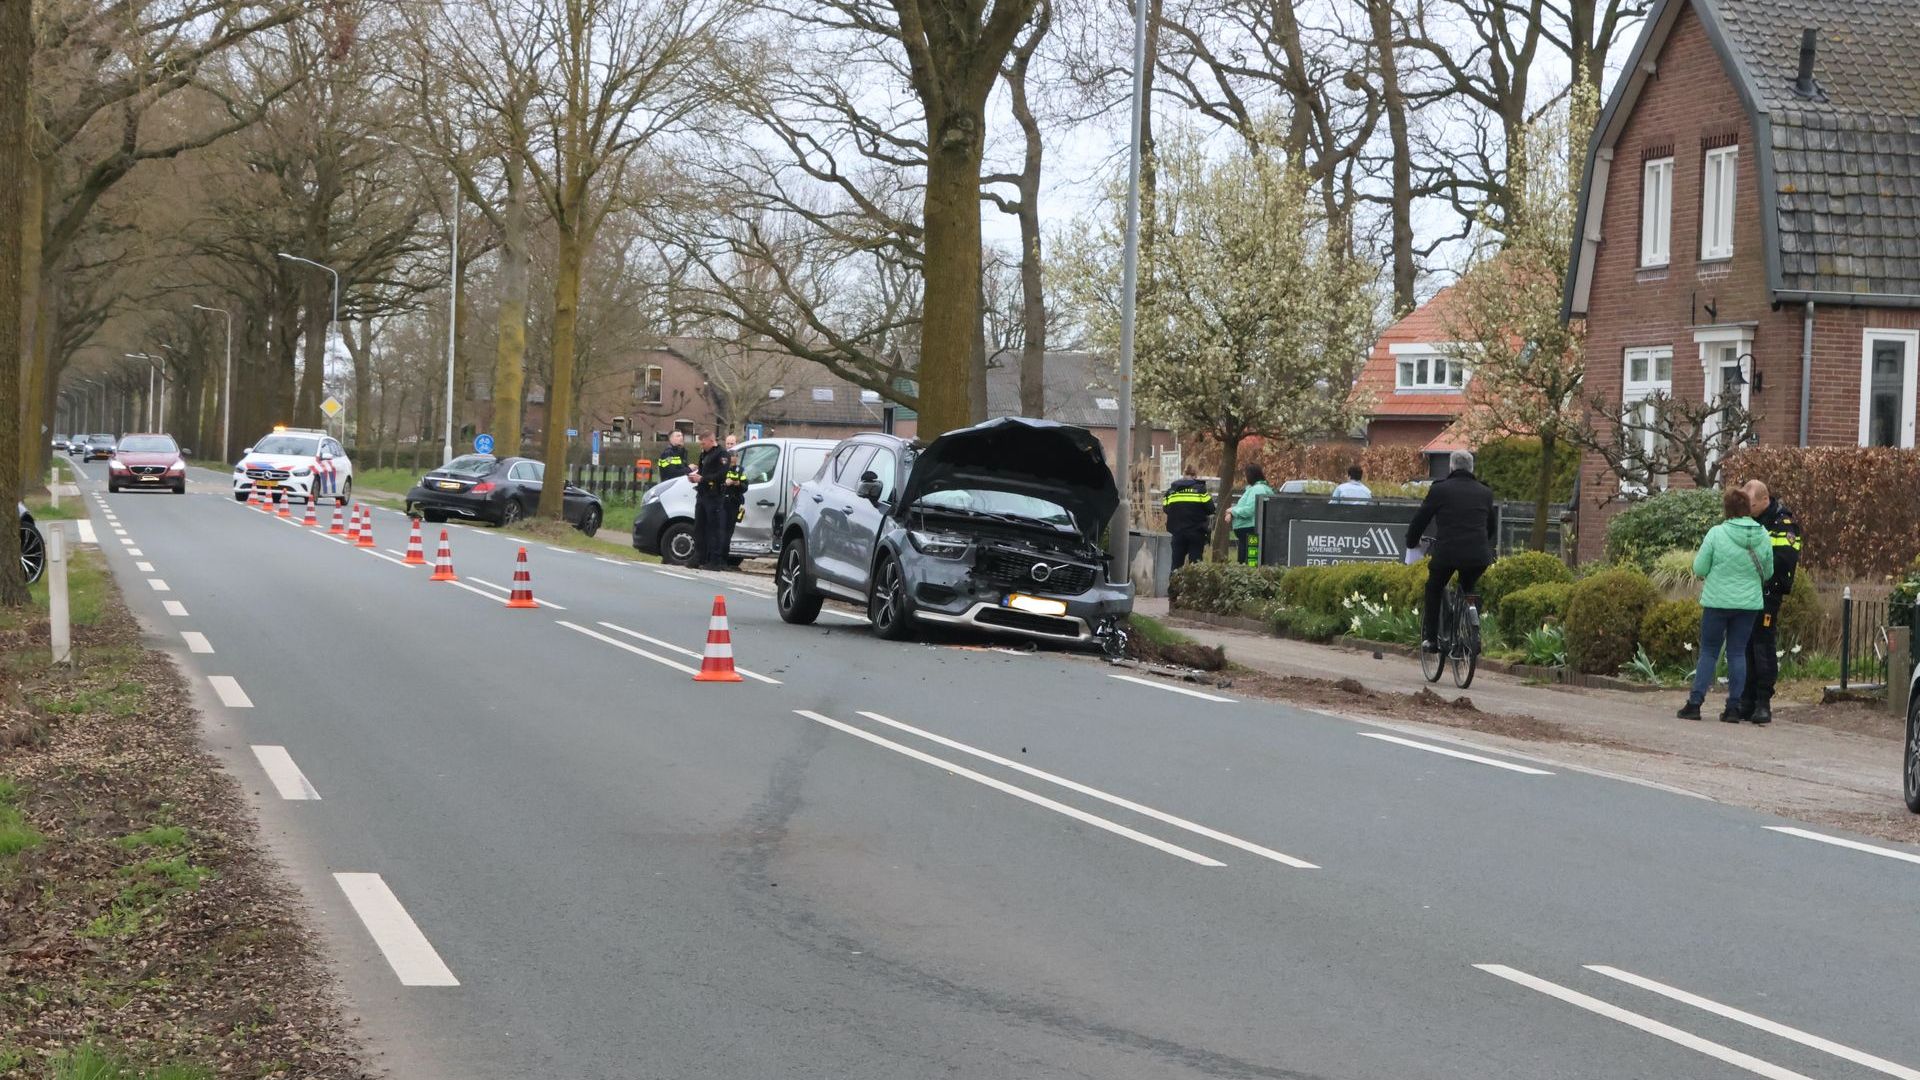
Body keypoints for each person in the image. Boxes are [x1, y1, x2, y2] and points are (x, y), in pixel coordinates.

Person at [1678, 487, 1773, 722]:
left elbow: (1699, 568)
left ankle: (1695, 703)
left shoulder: (1716, 534)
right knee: (1737, 653)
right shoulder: (1763, 534)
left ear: (1727, 510)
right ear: (1747, 508)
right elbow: (1769, 571)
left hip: (1717, 602)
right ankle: (1733, 707)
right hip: (1748, 604)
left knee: (1709, 652)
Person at [1404, 450, 1497, 652]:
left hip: (1447, 554)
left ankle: (1431, 639)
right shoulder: (1485, 492)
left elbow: (1421, 518)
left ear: (1451, 467)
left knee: (1434, 587)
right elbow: (1491, 527)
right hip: (1478, 555)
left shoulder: (1440, 490)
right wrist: (1481, 544)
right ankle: (1470, 626)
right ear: (1472, 468)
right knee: (1468, 587)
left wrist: (1412, 542)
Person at [1737, 479, 1800, 725]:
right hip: (1744, 592)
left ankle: (1763, 702)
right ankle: (1746, 700)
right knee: (1744, 646)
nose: (1747, 509)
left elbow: (1784, 561)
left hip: (1767, 594)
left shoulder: (1783, 524)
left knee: (1762, 647)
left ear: (1764, 500)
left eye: (1750, 504)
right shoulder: (1746, 521)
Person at [691, 432, 732, 570]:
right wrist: (695, 477)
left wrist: (703, 479)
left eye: (703, 443)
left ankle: (714, 561)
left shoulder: (722, 455)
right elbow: (702, 471)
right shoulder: (704, 454)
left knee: (713, 528)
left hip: (714, 496)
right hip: (702, 494)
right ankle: (698, 557)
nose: (702, 446)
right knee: (699, 527)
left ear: (711, 441)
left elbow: (721, 475)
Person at [1161, 465, 1215, 570]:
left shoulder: (1171, 491)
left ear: (1184, 475)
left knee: (1176, 566)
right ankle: (1193, 586)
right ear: (1195, 476)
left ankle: (1174, 586)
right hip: (1196, 533)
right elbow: (1211, 509)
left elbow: (1166, 509)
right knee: (1195, 566)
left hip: (1177, 533)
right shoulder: (1201, 490)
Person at [1228, 464, 1274, 566]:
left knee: (1247, 562)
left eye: (1245, 475)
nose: (1245, 478)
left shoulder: (1257, 489)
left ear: (1251, 475)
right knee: (1249, 560)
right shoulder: (1259, 488)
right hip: (1248, 529)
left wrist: (1233, 511)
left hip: (1248, 528)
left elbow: (1249, 510)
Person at [721, 435, 748, 552]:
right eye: (730, 455)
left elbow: (745, 486)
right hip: (721, 502)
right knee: (719, 530)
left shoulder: (740, 470)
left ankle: (724, 559)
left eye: (734, 455)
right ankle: (716, 558)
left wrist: (738, 484)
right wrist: (725, 483)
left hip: (734, 503)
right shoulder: (721, 468)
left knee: (729, 531)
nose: (732, 458)